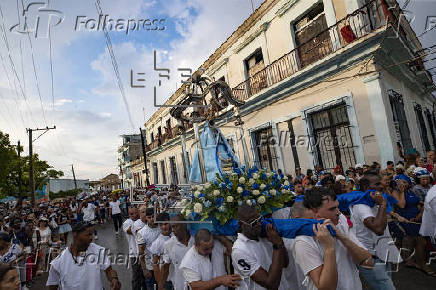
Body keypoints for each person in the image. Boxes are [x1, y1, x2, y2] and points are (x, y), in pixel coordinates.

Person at [294, 187, 373, 290]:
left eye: (337, 207)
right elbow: (327, 288)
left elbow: (368, 262)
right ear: (315, 212)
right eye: (332, 209)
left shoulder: (340, 220)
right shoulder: (303, 241)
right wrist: (329, 248)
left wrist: (341, 236)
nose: (338, 212)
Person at [350, 172, 399, 290]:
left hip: (382, 253)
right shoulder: (361, 206)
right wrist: (383, 204)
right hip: (370, 257)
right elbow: (378, 229)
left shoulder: (374, 201)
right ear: (367, 188)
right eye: (377, 183)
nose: (382, 185)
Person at [46, 221, 121, 290]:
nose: (91, 238)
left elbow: (109, 270)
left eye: (92, 234)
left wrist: (114, 279)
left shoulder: (98, 251)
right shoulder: (58, 262)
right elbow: (52, 285)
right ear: (75, 234)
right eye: (88, 235)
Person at [232, 204, 288, 290]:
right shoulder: (239, 250)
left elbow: (285, 263)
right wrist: (277, 245)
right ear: (241, 224)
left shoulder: (266, 235)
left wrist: (279, 242)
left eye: (260, 219)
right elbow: (270, 284)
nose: (259, 224)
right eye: (253, 223)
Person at [160, 214, 195, 290]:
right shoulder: (169, 244)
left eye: (175, 226)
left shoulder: (196, 241)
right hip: (179, 285)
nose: (173, 230)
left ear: (184, 225)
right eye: (172, 227)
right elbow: (165, 267)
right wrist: (161, 286)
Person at [137, 207, 161, 290]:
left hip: (164, 266)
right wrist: (144, 269)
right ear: (145, 218)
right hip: (150, 268)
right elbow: (141, 252)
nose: (151, 219)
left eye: (153, 216)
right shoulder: (142, 232)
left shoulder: (163, 228)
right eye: (149, 217)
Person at [122, 207, 145, 290]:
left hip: (144, 253)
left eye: (136, 213)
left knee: (145, 276)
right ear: (129, 214)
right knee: (136, 276)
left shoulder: (142, 221)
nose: (134, 215)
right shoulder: (127, 222)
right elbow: (129, 230)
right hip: (134, 254)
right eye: (131, 214)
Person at [150, 213, 173, 290]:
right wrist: (160, 284)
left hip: (178, 278)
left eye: (166, 224)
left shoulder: (175, 236)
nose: (164, 227)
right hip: (167, 280)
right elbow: (155, 266)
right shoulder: (157, 243)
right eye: (161, 224)